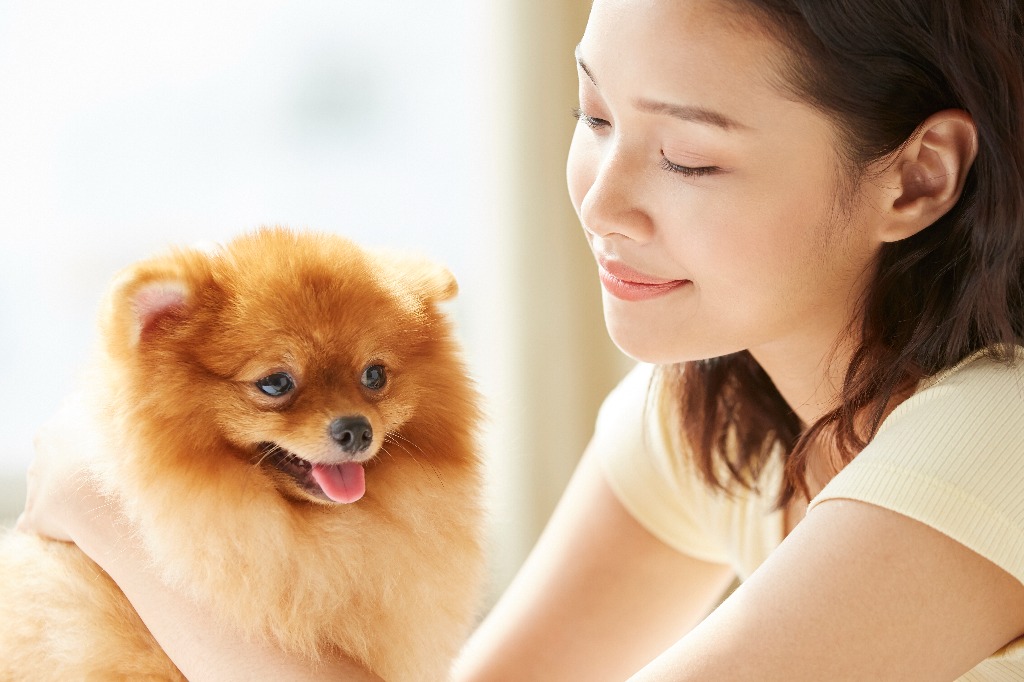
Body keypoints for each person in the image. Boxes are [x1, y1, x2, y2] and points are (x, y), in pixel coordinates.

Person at [19, 0, 1024, 679]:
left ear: (916, 179)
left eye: (685, 159)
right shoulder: (701, 414)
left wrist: (114, 514)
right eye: (591, 114)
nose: (602, 201)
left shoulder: (995, 435)